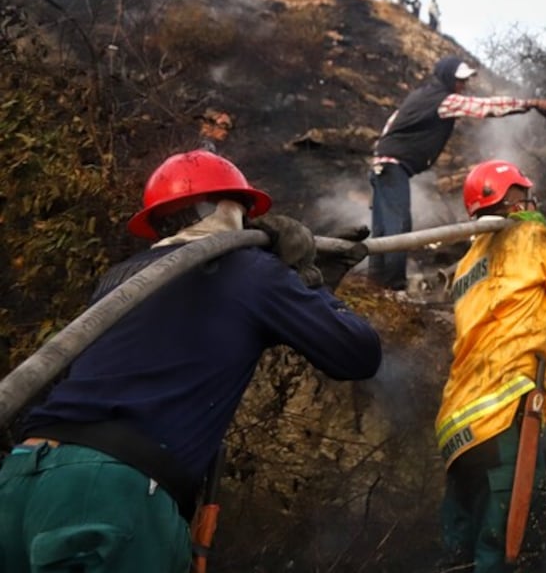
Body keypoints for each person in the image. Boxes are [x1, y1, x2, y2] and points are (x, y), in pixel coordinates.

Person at [0, 150, 381, 573]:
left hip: (19, 479)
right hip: (109, 492)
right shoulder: (250, 270)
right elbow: (357, 353)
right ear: (231, 207)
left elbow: (212, 335)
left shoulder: (120, 277)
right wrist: (309, 283)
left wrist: (295, 293)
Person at [436, 160, 546, 572]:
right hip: (505, 408)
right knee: (511, 538)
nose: (531, 203)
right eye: (525, 196)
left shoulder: (466, 265)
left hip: (458, 422)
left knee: (462, 542)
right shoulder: (529, 236)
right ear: (512, 203)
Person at [368, 56, 546, 290]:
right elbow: (485, 108)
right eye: (459, 80)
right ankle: (393, 286)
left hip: (383, 164)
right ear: (447, 78)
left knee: (383, 226)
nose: (463, 85)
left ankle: (375, 282)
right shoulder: (444, 100)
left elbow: (390, 125)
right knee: (398, 224)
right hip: (392, 165)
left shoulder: (419, 96)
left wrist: (379, 157)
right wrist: (532, 103)